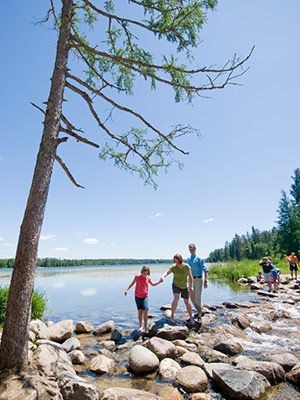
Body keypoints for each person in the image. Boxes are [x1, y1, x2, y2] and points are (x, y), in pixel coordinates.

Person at [124, 265, 163, 333]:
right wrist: (127, 289)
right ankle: (140, 326)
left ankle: (145, 326)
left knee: (146, 310)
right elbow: (132, 283)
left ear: (148, 273)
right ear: (141, 271)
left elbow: (153, 284)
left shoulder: (148, 278)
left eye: (146, 273)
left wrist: (159, 281)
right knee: (140, 311)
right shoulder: (137, 277)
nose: (145, 275)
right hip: (137, 296)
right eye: (144, 273)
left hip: (145, 296)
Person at [161, 253, 195, 324]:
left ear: (180, 260)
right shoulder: (174, 267)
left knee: (187, 302)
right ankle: (172, 315)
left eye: (178, 261)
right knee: (176, 298)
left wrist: (191, 286)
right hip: (176, 285)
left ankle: (191, 317)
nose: (176, 263)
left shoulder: (186, 266)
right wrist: (163, 276)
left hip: (184, 286)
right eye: (175, 261)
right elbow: (167, 272)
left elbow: (191, 277)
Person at [186, 243, 208, 319]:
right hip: (190, 280)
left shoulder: (199, 259)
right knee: (192, 298)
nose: (191, 251)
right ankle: (200, 310)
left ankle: (199, 314)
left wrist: (205, 281)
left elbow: (206, 270)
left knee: (198, 297)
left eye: (192, 249)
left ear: (195, 249)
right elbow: (187, 271)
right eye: (190, 250)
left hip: (199, 279)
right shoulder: (188, 259)